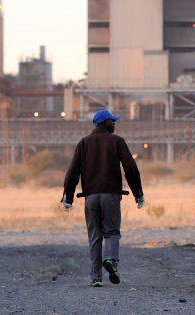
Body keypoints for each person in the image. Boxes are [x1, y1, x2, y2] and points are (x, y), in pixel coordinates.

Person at [61, 109, 145, 287]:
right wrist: (138, 193)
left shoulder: (84, 143)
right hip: (111, 196)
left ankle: (96, 277)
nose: (114, 124)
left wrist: (68, 197)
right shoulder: (117, 141)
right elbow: (130, 168)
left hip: (90, 197)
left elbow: (72, 172)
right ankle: (111, 259)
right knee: (112, 232)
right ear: (103, 123)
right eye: (111, 121)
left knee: (94, 236)